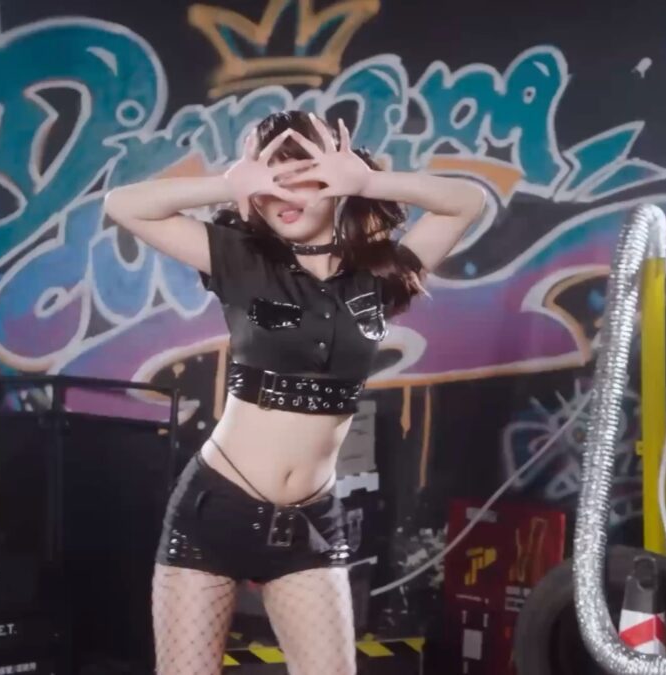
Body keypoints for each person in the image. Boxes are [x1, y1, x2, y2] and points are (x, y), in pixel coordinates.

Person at [104, 110, 487, 675]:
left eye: (301, 177)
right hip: (216, 511)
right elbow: (123, 205)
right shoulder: (238, 259)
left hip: (311, 522)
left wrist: (369, 182)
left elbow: (468, 202)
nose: (282, 194)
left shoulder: (381, 274)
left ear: (335, 180)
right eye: (269, 181)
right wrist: (228, 184)